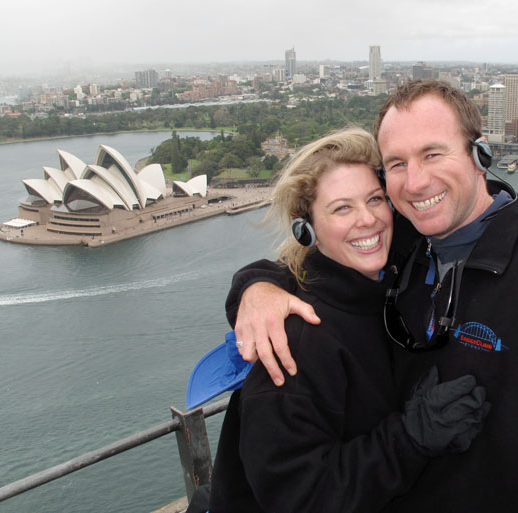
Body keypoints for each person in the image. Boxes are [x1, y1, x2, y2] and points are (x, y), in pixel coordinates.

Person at [228, 81, 518, 512]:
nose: (416, 183)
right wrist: (255, 288)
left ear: (480, 154)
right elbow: (325, 266)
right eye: (397, 163)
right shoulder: (408, 240)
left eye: (433, 154)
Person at [207, 128, 490, 513]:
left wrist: (255, 282)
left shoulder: (388, 282)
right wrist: (410, 438)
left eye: (375, 199)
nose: (368, 220)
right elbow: (300, 497)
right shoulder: (294, 343)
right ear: (307, 230)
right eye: (341, 208)